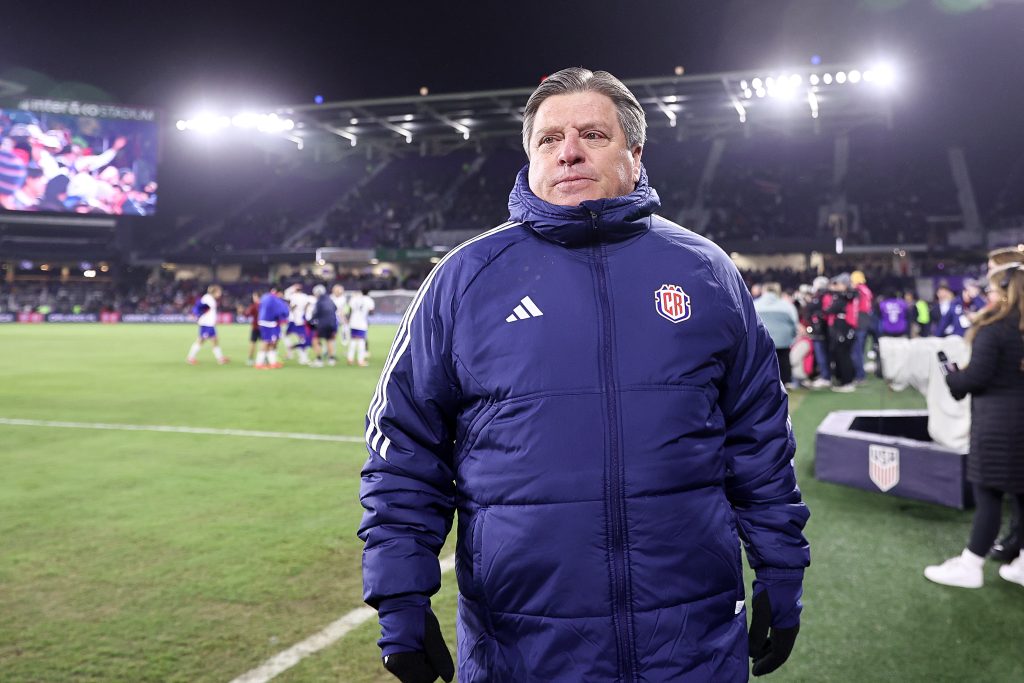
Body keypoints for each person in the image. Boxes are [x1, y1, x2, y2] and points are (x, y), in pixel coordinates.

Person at [358, 67, 809, 683]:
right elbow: (404, 445)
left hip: (690, 640)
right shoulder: (464, 279)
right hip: (522, 645)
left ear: (635, 152)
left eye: (593, 134)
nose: (568, 151)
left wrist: (781, 567)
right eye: (549, 139)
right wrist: (401, 595)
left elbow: (759, 439)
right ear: (531, 155)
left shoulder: (706, 272)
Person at [924, 260, 1024, 588]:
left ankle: (971, 564)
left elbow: (977, 377)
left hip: (999, 425)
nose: (988, 296)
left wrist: (955, 379)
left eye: (993, 290)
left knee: (988, 492)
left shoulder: (995, 329)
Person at [754, 282, 800, 389]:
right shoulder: (787, 305)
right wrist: (792, 336)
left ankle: (766, 383)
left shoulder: (755, 304)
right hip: (784, 339)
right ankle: (786, 382)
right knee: (784, 359)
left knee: (765, 361)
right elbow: (794, 322)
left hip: (763, 339)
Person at [825, 273, 858, 393]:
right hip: (846, 327)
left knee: (843, 355)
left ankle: (847, 382)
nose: (835, 286)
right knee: (844, 355)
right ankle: (847, 380)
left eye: (837, 284)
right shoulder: (848, 295)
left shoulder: (845, 296)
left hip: (844, 328)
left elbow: (831, 309)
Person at [186, 285, 229, 365]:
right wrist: (195, 315)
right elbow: (199, 307)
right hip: (206, 324)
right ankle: (190, 357)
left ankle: (220, 358)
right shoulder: (207, 298)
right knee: (201, 341)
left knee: (214, 340)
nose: (220, 293)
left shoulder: (210, 298)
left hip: (209, 324)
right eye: (219, 292)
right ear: (215, 292)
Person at [804, 276, 833, 388]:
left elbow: (811, 310)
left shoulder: (821, 297)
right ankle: (825, 375)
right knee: (824, 354)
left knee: (822, 354)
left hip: (820, 330)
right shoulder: (828, 296)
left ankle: (826, 377)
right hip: (826, 329)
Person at [255, 286, 289, 370]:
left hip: (267, 322)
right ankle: (259, 363)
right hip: (268, 323)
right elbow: (283, 311)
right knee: (266, 342)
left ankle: (272, 362)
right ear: (279, 293)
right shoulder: (274, 300)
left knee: (270, 342)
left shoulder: (266, 297)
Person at [850, 271, 874, 382]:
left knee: (856, 351)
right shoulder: (866, 289)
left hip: (859, 322)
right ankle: (860, 373)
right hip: (866, 321)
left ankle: (859, 375)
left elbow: (855, 307)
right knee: (860, 350)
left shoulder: (858, 290)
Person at [308, 284, 339, 367]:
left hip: (322, 324)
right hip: (332, 323)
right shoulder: (330, 299)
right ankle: (331, 359)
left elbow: (315, 314)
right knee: (329, 340)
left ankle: (319, 360)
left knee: (315, 340)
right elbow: (335, 308)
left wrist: (310, 321)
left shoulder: (319, 301)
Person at [346, 288, 374, 366]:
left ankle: (350, 358)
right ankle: (360, 360)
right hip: (362, 323)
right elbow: (371, 311)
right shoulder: (369, 300)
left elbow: (350, 310)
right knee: (361, 341)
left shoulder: (355, 298)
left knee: (353, 340)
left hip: (353, 322)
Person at [243, 291, 261, 366]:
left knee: (252, 343)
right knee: (265, 343)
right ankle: (264, 358)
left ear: (257, 297)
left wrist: (242, 311)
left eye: (254, 296)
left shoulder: (254, 306)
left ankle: (250, 359)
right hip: (264, 327)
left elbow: (247, 314)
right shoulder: (264, 305)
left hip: (255, 327)